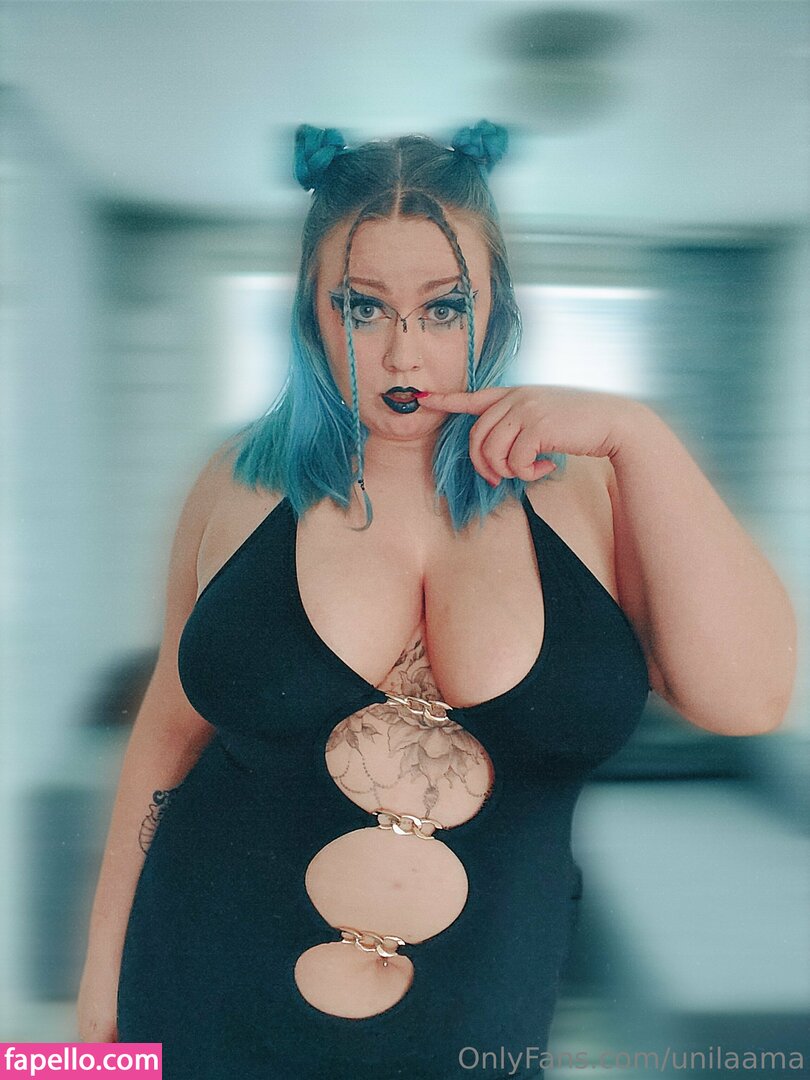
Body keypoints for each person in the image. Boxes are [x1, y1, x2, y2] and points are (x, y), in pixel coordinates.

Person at [77, 120, 797, 1079]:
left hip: (478, 1019)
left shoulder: (593, 487)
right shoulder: (239, 483)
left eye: (444, 307)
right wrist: (99, 996)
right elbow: (166, 740)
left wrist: (639, 433)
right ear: (310, 311)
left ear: (495, 308)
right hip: (203, 978)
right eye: (362, 308)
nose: (403, 355)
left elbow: (749, 700)